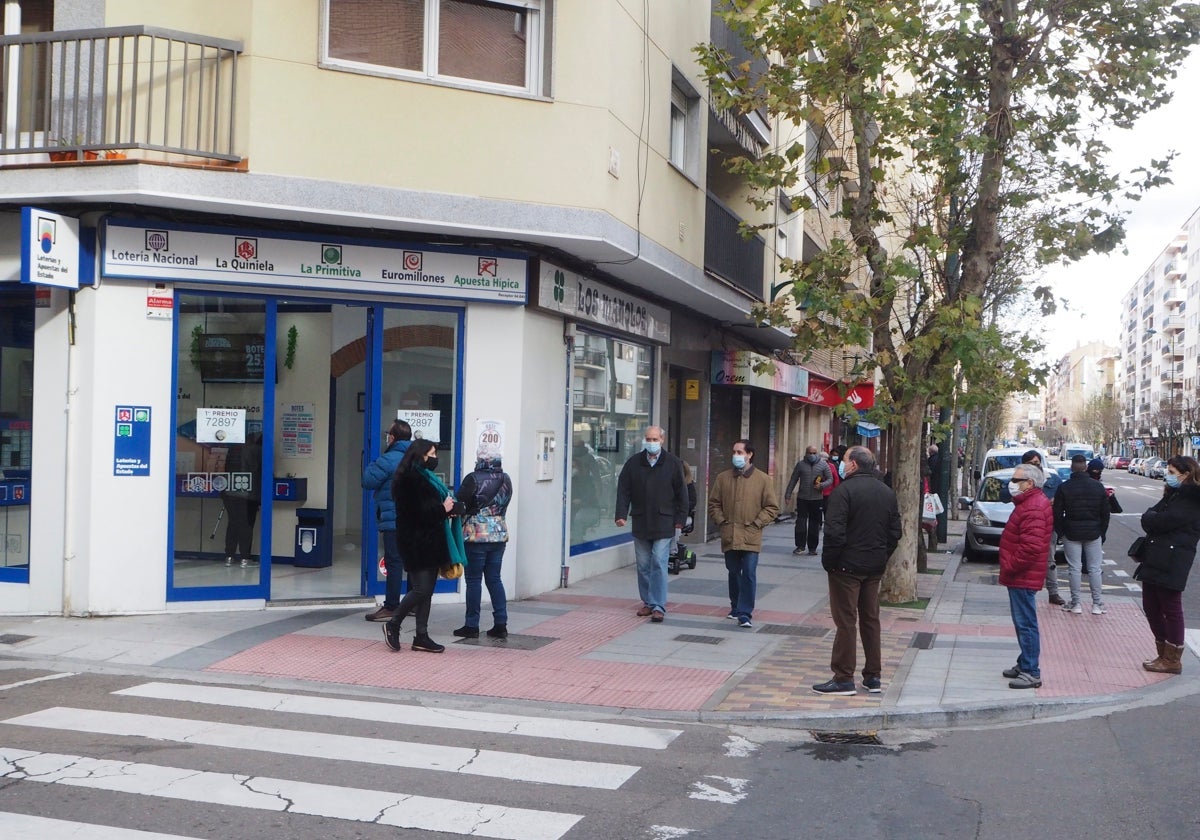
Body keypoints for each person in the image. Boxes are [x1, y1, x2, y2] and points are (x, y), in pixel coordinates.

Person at [812, 446, 901, 695]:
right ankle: (873, 676)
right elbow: (895, 533)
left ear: (853, 465)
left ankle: (843, 677)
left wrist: (830, 562)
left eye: (845, 460)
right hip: (873, 566)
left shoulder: (844, 491)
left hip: (846, 566)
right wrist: (881, 556)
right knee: (871, 620)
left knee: (846, 621)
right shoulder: (886, 492)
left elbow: (834, 532)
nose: (842, 463)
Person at [383, 439, 465, 654]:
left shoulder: (426, 478)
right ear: (420, 455)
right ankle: (393, 624)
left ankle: (421, 636)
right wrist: (443, 509)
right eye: (432, 453)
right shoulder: (410, 480)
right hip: (416, 541)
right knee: (421, 589)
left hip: (430, 541)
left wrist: (448, 509)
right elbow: (417, 514)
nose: (435, 458)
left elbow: (431, 510)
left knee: (426, 592)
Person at [614, 425, 689, 623]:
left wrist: (681, 519)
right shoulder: (634, 463)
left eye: (655, 439)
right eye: (648, 439)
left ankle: (658, 605)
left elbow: (682, 493)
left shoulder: (672, 463)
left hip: (664, 522)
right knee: (644, 564)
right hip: (641, 521)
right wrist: (621, 514)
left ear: (662, 440)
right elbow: (623, 490)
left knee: (658, 561)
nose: (651, 443)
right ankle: (647, 602)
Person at [1134, 455, 1200, 675]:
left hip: (1174, 558)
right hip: (1157, 555)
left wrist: (1153, 519)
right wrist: (1152, 519)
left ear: (1186, 474)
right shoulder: (1174, 494)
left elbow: (1161, 520)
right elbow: (1148, 517)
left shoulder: (1192, 498)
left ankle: (1172, 659)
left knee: (1170, 607)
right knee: (1151, 606)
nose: (1167, 475)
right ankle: (1162, 652)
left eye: (1172, 472)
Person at [707, 439, 779, 629]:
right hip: (730, 532)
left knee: (748, 572)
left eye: (739, 452)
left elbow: (772, 507)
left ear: (749, 454)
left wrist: (757, 524)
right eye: (734, 452)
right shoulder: (723, 478)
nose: (736, 456)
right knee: (733, 571)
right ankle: (735, 606)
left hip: (751, 534)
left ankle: (745, 612)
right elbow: (713, 503)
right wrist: (721, 521)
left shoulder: (763, 479)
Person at [999, 462, 1054, 689]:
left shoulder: (1032, 507)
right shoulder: (1029, 503)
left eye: (1016, 480)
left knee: (1026, 623)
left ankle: (1031, 671)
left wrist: (1010, 565)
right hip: (1021, 574)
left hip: (1022, 574)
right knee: (1022, 621)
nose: (1011, 484)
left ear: (1029, 483)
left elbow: (1030, 548)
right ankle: (1025, 663)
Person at [453, 442, 513, 640]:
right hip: (498, 535)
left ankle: (471, 625)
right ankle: (501, 624)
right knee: (495, 578)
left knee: (473, 580)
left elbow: (459, 503)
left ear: (479, 458)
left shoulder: (473, 479)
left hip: (475, 535)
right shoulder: (506, 479)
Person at [361, 420, 412, 622]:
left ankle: (391, 606)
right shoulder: (416, 458)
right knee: (413, 562)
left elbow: (367, 480)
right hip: (415, 519)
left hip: (394, 519)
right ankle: (413, 604)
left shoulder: (389, 459)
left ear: (392, 438)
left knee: (394, 562)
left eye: (387, 434)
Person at [1052, 454, 1110, 615]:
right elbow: (1105, 513)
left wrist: (1061, 532)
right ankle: (1097, 604)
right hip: (1093, 532)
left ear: (1072, 467)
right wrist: (1102, 532)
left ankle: (1076, 603)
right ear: (1086, 467)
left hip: (1071, 532)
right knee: (1094, 569)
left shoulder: (1064, 487)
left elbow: (1057, 513)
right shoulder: (1098, 487)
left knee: (1074, 568)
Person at [1022, 449, 1065, 606]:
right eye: (1030, 464)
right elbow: (1006, 496)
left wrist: (1056, 502)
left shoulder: (1052, 479)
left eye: (1037, 463)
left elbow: (1063, 499)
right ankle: (1027, 590)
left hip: (1048, 525)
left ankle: (1053, 593)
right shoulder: (1019, 480)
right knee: (1027, 558)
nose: (1034, 466)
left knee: (1049, 558)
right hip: (1027, 525)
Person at [221, 433, 263, 568]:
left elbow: (226, 468)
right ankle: (245, 558)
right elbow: (263, 471)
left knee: (233, 523)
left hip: (229, 491)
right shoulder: (258, 450)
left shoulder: (233, 449)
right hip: (248, 493)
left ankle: (229, 556)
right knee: (246, 524)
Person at [784, 444, 833, 556]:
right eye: (810, 453)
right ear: (806, 453)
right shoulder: (800, 465)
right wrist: (788, 495)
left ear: (817, 453)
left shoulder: (823, 465)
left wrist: (821, 485)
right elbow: (793, 480)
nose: (812, 455)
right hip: (803, 498)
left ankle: (812, 548)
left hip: (817, 499)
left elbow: (830, 479)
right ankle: (800, 546)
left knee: (814, 524)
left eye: (814, 453)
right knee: (800, 522)